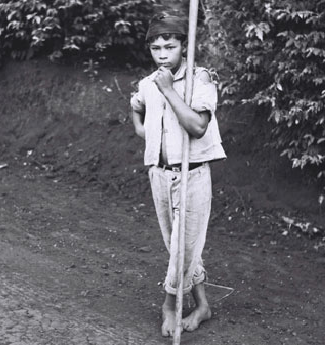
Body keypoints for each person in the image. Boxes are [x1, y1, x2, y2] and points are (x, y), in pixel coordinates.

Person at [130, 14, 226, 337]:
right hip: (159, 176)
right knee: (178, 249)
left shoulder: (201, 79)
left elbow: (198, 127)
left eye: (169, 47)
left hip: (193, 176)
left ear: (184, 47)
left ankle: (170, 305)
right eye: (156, 48)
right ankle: (202, 305)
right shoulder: (148, 83)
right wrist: (139, 118)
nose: (162, 54)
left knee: (183, 248)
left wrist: (170, 90)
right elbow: (143, 121)